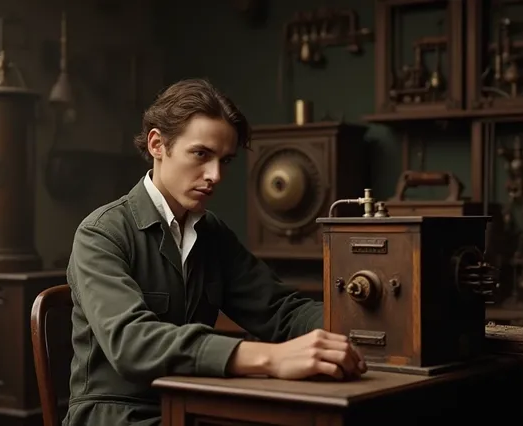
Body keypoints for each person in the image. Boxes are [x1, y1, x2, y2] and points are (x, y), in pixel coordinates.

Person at [64, 78, 367, 426]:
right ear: (157, 144)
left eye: (225, 160)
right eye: (202, 154)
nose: (215, 175)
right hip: (116, 417)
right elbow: (132, 343)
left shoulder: (212, 234)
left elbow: (281, 311)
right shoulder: (101, 232)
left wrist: (366, 327)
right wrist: (269, 358)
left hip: (192, 408)